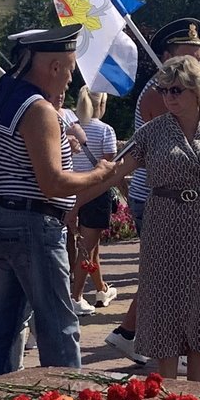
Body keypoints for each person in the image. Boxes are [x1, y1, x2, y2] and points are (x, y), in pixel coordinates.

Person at [0, 25, 122, 379]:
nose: (71, 78)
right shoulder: (38, 109)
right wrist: (100, 175)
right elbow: (52, 182)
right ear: (54, 66)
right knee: (59, 325)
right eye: (69, 68)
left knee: (4, 327)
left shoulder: (2, 96)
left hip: (3, 217)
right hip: (34, 224)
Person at [117, 55, 200, 380]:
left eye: (176, 90)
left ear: (196, 90)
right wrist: (74, 197)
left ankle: (196, 390)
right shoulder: (152, 132)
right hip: (164, 230)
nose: (169, 97)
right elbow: (116, 171)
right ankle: (168, 388)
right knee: (165, 308)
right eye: (164, 90)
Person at [106, 17, 200, 365]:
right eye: (188, 56)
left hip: (171, 194)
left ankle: (129, 333)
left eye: (198, 56)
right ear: (167, 56)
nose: (196, 63)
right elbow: (171, 145)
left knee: (162, 272)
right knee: (170, 273)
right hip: (158, 194)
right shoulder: (160, 93)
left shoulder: (174, 90)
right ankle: (163, 342)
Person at [69, 88, 119, 315]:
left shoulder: (71, 127)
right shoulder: (106, 130)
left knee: (91, 248)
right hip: (96, 193)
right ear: (101, 105)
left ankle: (101, 289)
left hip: (72, 189)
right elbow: (109, 168)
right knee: (87, 248)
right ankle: (76, 297)